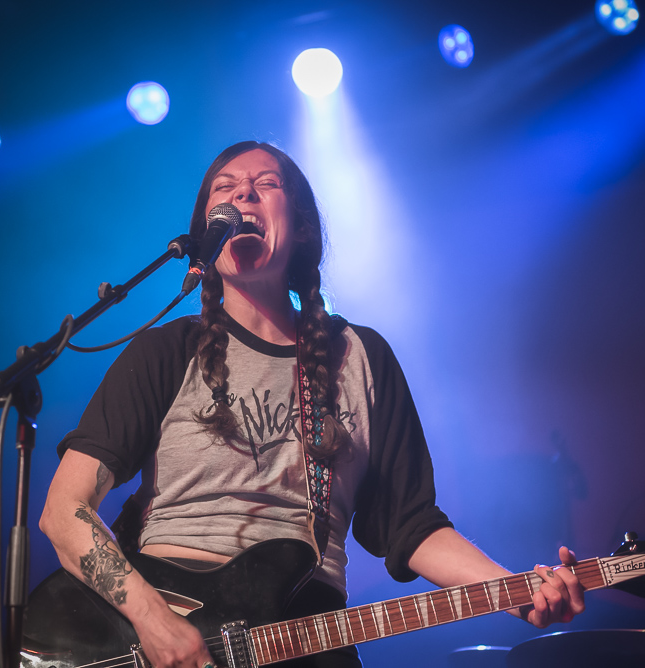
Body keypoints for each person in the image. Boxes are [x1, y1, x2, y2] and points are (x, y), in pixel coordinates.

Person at [38, 141, 585, 668]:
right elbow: (65, 509)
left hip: (308, 635)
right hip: (161, 628)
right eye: (224, 190)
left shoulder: (360, 357)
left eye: (263, 185)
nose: (241, 195)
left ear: (300, 227)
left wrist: (513, 591)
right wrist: (153, 620)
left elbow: (411, 526)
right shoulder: (166, 350)